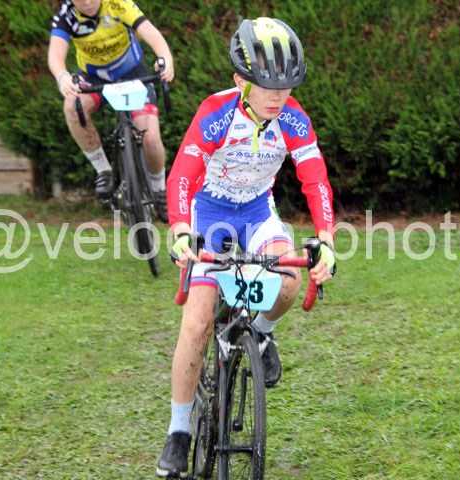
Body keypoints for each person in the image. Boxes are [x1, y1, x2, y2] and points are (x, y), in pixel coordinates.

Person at [157, 17, 337, 478]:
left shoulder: (293, 119)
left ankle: (261, 332)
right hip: (209, 213)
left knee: (289, 281)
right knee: (198, 320)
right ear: (241, 81)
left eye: (286, 86)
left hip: (257, 211)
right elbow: (181, 177)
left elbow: (315, 180)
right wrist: (181, 230)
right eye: (266, 86)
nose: (277, 96)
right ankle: (179, 431)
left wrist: (327, 240)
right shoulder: (216, 113)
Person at [47, 0, 174, 221]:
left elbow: (149, 32)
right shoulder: (67, 15)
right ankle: (103, 170)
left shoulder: (117, 3)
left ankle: (159, 189)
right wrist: (62, 77)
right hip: (94, 77)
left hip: (132, 73)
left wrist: (165, 59)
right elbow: (55, 56)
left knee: (150, 139)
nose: (87, 2)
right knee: (72, 106)